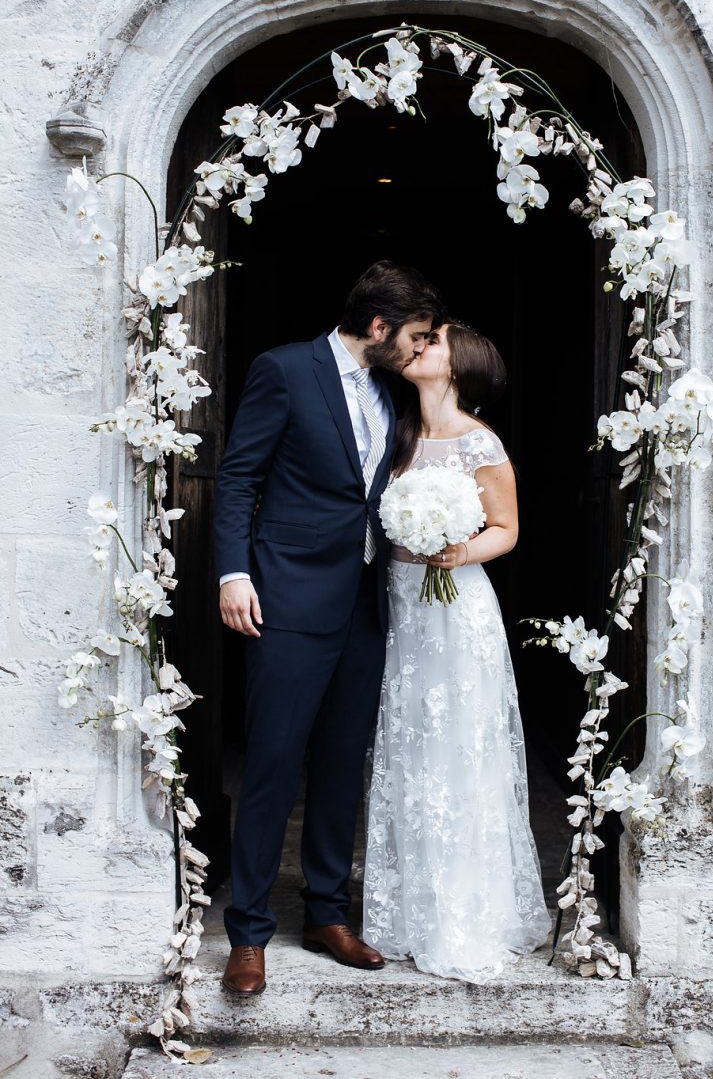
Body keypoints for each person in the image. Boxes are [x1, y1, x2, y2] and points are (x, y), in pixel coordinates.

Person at [213, 260, 444, 996]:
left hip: (365, 605)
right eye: (412, 336)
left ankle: (324, 914)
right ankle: (247, 931)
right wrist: (233, 573)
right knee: (275, 763)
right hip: (284, 599)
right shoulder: (284, 371)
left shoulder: (389, 388)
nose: (416, 350)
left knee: (344, 765)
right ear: (377, 327)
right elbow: (239, 476)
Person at [362, 320, 553, 982]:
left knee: (460, 752)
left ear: (459, 363)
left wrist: (458, 548)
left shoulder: (482, 442)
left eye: (433, 342)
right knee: (411, 749)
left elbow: (509, 528)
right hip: (405, 607)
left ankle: (468, 914)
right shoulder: (398, 435)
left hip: (459, 608)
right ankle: (412, 911)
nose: (419, 347)